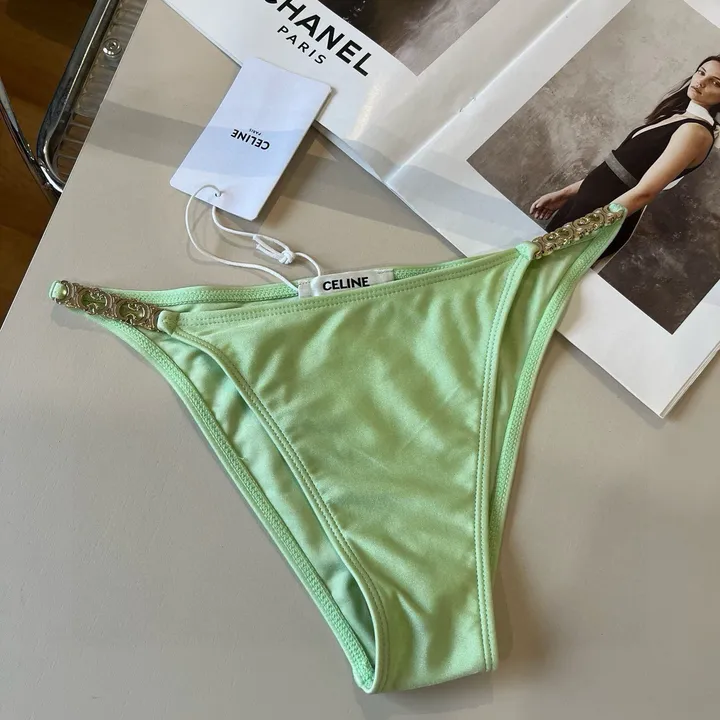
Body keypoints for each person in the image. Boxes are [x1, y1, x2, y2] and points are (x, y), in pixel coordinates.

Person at [530, 56, 720, 257]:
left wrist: (581, 229)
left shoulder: (696, 132)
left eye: (715, 83)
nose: (701, 82)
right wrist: (566, 193)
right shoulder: (678, 116)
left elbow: (644, 192)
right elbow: (618, 169)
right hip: (585, 205)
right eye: (701, 72)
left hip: (600, 218)